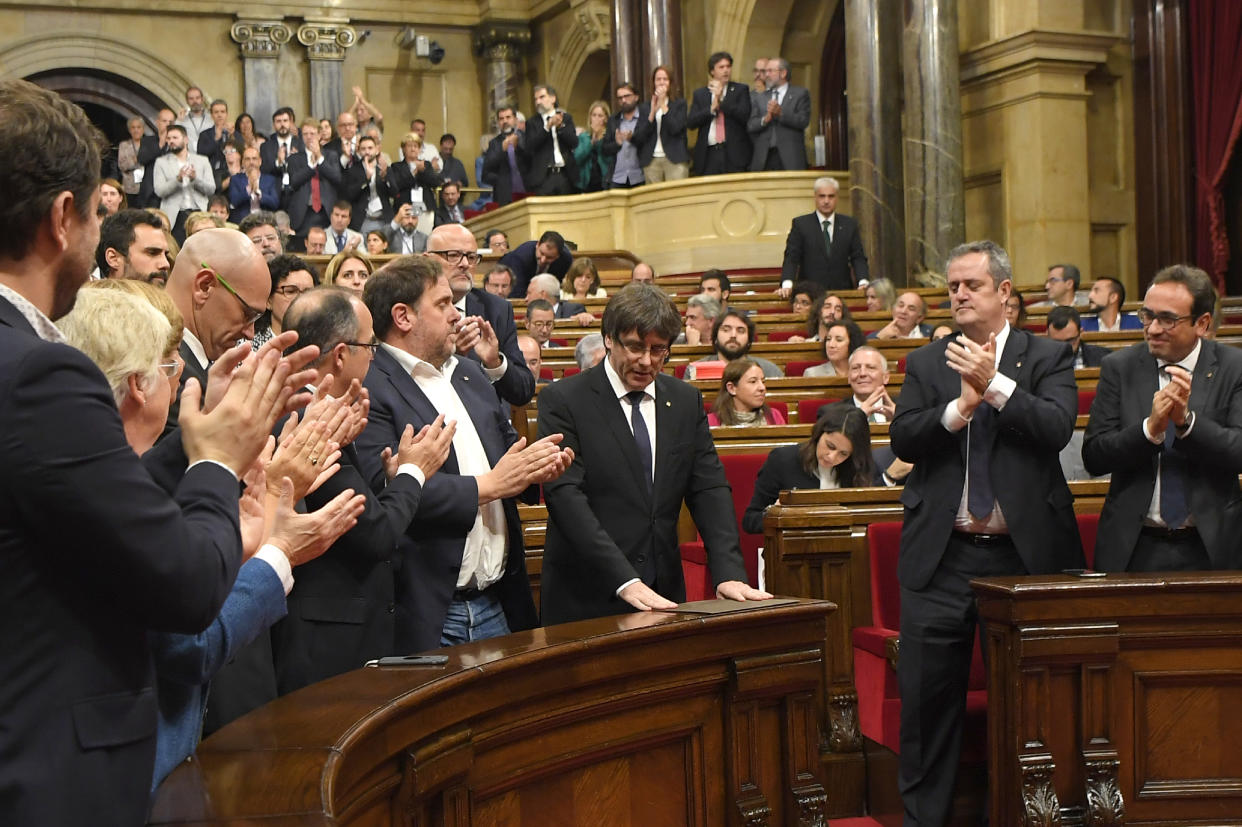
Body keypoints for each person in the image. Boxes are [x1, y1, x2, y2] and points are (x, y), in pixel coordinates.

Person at [0, 78, 314, 823]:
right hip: (46, 776)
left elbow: (66, 493)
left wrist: (190, 446)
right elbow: (184, 584)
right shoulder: (41, 372)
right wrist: (215, 463)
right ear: (63, 218)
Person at [890, 239, 1082, 826]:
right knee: (927, 711)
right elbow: (904, 439)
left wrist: (995, 385)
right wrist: (960, 409)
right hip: (941, 560)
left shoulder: (1045, 356)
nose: (959, 295)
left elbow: (1054, 428)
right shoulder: (928, 362)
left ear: (1004, 292)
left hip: (1024, 562)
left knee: (1031, 707)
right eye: (952, 287)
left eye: (971, 285)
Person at [355, 255, 573, 650]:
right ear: (403, 316)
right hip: (429, 609)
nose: (458, 315)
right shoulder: (371, 385)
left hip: (500, 599)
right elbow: (384, 495)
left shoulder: (469, 373)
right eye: (442, 304)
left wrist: (535, 465)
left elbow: (506, 450)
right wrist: (489, 485)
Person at [537, 283, 771, 623]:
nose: (646, 362)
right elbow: (565, 497)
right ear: (609, 339)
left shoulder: (684, 401)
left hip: (664, 594)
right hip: (586, 595)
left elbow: (708, 488)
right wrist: (625, 579)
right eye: (634, 347)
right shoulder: (564, 400)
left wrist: (728, 570)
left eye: (658, 350)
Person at [271, 286, 455, 694]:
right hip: (327, 645)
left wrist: (389, 482)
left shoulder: (309, 407)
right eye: (370, 345)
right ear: (340, 355)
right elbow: (375, 534)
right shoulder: (312, 423)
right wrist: (413, 471)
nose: (374, 355)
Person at [1083, 263, 1242, 572]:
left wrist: (1187, 423)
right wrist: (1148, 431)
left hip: (1213, 546)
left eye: (1167, 319)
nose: (1153, 328)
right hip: (1135, 545)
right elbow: (1094, 456)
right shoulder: (1119, 367)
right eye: (1148, 316)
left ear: (1202, 323)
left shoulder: (1234, 367)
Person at [427, 222, 535, 407]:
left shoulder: (497, 309)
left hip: (483, 423)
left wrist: (494, 363)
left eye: (471, 257)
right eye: (453, 255)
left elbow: (523, 391)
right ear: (427, 260)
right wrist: (451, 356)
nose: (464, 264)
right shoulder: (410, 306)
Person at [743, 403, 876, 531]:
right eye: (830, 446)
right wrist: (776, 515)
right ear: (819, 434)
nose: (832, 457)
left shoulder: (857, 467)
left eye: (843, 453)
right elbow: (750, 521)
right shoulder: (782, 461)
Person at [779, 176, 868, 294]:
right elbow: (792, 257)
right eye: (822, 196)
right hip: (809, 293)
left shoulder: (849, 225)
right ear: (815, 197)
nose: (826, 201)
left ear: (837, 198)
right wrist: (787, 283)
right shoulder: (801, 224)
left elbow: (858, 257)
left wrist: (863, 281)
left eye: (831, 196)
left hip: (841, 292)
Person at [688, 51, 752, 175]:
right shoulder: (701, 94)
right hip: (709, 153)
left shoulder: (740, 90)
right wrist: (711, 110)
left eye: (728, 67)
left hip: (734, 152)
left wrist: (722, 99)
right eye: (721, 67)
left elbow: (744, 115)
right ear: (712, 71)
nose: (726, 70)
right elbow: (691, 122)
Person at [153, 125, 215, 242]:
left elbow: (211, 189)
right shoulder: (161, 162)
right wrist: (178, 179)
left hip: (199, 212)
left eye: (175, 138)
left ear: (186, 139)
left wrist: (194, 179)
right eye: (169, 138)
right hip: (175, 216)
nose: (171, 141)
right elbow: (159, 191)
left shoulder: (202, 160)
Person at [747, 57, 810, 171]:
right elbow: (750, 125)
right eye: (766, 71)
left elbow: (803, 121)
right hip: (764, 159)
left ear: (783, 73)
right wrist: (765, 120)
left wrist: (781, 113)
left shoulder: (800, 94)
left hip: (790, 158)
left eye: (770, 71)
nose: (766, 74)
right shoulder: (760, 97)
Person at [286, 120, 341, 248]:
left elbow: (336, 178)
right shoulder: (295, 159)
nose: (309, 137)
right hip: (304, 212)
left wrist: (319, 159)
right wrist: (311, 166)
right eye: (305, 134)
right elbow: (294, 182)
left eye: (312, 133)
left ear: (319, 135)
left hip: (326, 211)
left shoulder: (331, 155)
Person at [686, 310, 783, 380]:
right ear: (715, 337)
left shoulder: (770, 371)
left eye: (740, 331)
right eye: (726, 330)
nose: (733, 335)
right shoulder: (695, 371)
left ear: (749, 340)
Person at [634, 64, 691, 182]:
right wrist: (652, 114)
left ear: (670, 83)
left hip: (674, 158)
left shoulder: (679, 104)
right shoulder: (644, 107)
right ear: (653, 83)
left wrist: (663, 106)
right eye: (658, 79)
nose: (661, 82)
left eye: (665, 79)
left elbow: (675, 128)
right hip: (651, 160)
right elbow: (639, 136)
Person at [252, 253, 318, 348]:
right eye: (291, 291)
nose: (301, 299)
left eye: (308, 292)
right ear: (269, 300)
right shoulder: (247, 349)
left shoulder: (325, 344)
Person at [526, 84, 578, 195]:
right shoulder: (532, 123)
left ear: (553, 98)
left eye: (542, 97)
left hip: (565, 175)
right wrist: (546, 128)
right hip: (543, 178)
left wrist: (561, 127)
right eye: (536, 99)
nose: (538, 102)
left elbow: (574, 142)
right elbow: (530, 146)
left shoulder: (566, 118)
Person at [96, 209, 171, 285]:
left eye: (166, 255)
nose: (166, 264)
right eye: (152, 253)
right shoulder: (89, 296)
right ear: (113, 258)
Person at [708, 358, 787, 426]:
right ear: (731, 388)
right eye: (753, 382)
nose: (762, 388)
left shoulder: (773, 416)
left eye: (763, 381)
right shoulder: (711, 422)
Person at [499, 230, 573, 297]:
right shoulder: (521, 257)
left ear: (557, 256)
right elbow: (517, 293)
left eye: (549, 257)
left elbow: (556, 289)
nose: (543, 260)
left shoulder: (565, 259)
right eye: (541, 253)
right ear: (537, 245)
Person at [481, 106, 529, 206]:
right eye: (501, 119)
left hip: (528, 191)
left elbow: (533, 160)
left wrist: (518, 146)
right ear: (498, 123)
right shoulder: (494, 144)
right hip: (505, 196)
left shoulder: (526, 137)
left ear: (515, 120)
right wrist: (502, 150)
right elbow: (485, 175)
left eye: (508, 117)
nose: (505, 121)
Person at [602, 82, 645, 189]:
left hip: (640, 176)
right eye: (620, 98)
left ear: (636, 97)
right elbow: (605, 149)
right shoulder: (613, 120)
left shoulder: (644, 117)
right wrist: (617, 143)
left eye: (627, 96)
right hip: (617, 177)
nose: (623, 101)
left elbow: (647, 142)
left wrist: (632, 138)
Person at [387, 132, 441, 217]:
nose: (413, 149)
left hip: (425, 207)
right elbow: (397, 185)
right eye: (409, 146)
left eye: (415, 146)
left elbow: (435, 183)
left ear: (419, 149)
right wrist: (414, 173)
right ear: (403, 149)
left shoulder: (426, 164)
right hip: (406, 209)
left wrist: (423, 171)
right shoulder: (396, 166)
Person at [227, 145, 279, 224]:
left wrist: (259, 193)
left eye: (254, 159)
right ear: (243, 163)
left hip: (264, 220)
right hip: (243, 221)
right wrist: (249, 188)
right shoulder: (235, 179)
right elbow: (234, 201)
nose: (251, 162)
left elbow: (275, 203)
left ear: (260, 161)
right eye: (247, 159)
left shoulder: (270, 180)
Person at [573, 100, 612, 193]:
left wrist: (599, 141)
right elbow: (577, 158)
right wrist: (591, 142)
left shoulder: (610, 137)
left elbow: (609, 160)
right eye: (594, 115)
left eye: (600, 115)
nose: (596, 119)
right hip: (586, 184)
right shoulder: (584, 136)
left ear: (606, 118)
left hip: (605, 183)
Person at [526, 273, 592, 324]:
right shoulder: (530, 314)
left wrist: (585, 317)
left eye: (529, 293)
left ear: (543, 294)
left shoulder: (573, 310)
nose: (526, 299)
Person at [867, 291, 934, 339]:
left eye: (911, 308)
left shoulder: (932, 334)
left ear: (919, 318)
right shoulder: (876, 336)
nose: (903, 311)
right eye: (901, 305)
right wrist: (879, 339)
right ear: (893, 310)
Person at [118, 116, 146, 206]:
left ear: (143, 129)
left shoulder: (149, 144)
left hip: (145, 187)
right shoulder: (124, 145)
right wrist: (135, 161)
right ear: (129, 130)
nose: (136, 130)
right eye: (133, 128)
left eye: (138, 127)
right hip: (129, 188)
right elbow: (122, 165)